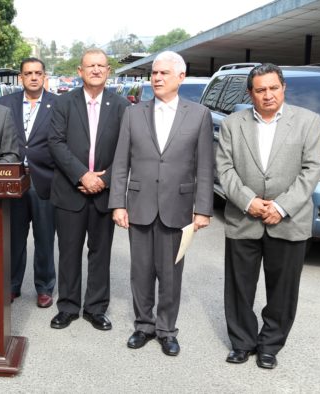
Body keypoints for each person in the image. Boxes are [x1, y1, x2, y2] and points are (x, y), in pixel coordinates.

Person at [216, 63, 320, 369]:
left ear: (283, 88)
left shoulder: (307, 121)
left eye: (273, 88)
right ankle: (241, 342)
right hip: (244, 217)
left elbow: (311, 170)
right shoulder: (232, 124)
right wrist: (249, 202)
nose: (268, 95)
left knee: (283, 290)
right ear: (250, 93)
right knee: (239, 287)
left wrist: (281, 206)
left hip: (288, 220)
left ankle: (269, 346)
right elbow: (224, 169)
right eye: (260, 90)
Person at [109, 51, 214, 356]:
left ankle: (167, 329)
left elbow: (205, 166)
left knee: (170, 272)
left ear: (181, 77)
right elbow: (120, 163)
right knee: (140, 271)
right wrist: (118, 203)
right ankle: (143, 325)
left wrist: (203, 209)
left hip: (177, 208)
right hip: (139, 203)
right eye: (154, 73)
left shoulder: (198, 115)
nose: (156, 78)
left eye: (164, 73)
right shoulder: (133, 113)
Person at [48, 48, 129, 330]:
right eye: (90, 66)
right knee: (69, 251)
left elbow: (125, 149)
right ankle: (68, 307)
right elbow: (55, 143)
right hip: (70, 191)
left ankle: (95, 308)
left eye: (101, 66)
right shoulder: (63, 103)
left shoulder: (121, 106)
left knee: (100, 253)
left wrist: (103, 181)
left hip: (104, 193)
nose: (96, 70)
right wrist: (83, 175)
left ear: (108, 71)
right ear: (79, 72)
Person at [0, 57, 58, 308]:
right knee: (13, 238)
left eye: (38, 73)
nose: (33, 77)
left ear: (44, 76)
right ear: (20, 77)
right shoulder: (4, 104)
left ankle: (44, 287)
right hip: (13, 180)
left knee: (44, 238)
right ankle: (11, 285)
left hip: (45, 180)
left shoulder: (58, 104)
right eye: (28, 73)